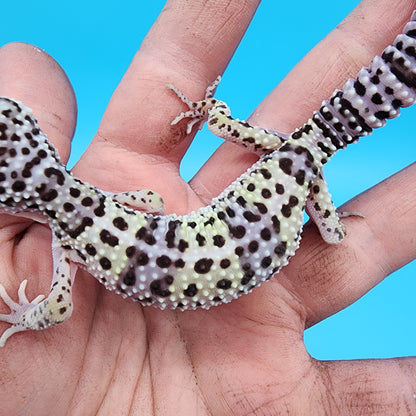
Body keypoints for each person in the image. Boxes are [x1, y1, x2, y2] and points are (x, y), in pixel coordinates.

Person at [0, 0, 415, 414]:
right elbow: (153, 202)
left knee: (332, 223)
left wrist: (24, 316)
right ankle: (218, 116)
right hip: (278, 170)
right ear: (39, 142)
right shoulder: (98, 209)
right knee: (331, 224)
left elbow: (57, 309)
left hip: (278, 194)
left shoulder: (68, 246)